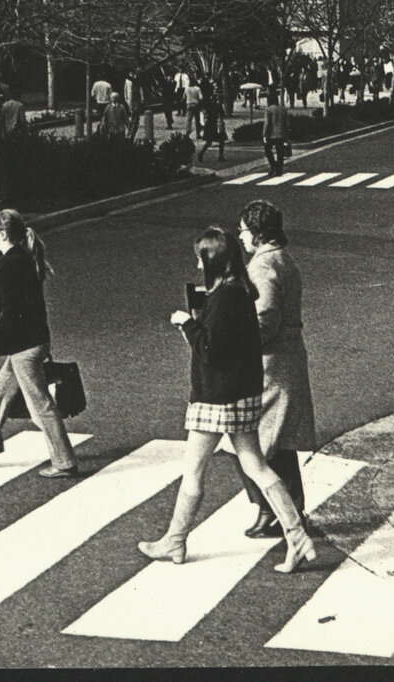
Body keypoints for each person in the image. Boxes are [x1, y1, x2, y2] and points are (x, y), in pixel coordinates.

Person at [139, 227, 314, 573]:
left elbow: (210, 351)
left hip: (216, 399)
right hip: (243, 396)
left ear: (211, 260)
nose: (196, 262)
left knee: (194, 470)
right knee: (257, 465)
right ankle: (296, 534)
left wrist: (187, 323)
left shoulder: (222, 299)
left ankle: (175, 539)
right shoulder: (242, 292)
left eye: (199, 256)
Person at [0, 210, 79, 477]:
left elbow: (12, 311)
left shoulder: (11, 264)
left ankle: (65, 462)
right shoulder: (21, 259)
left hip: (24, 347)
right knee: (0, 391)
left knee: (40, 406)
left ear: (2, 234)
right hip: (27, 343)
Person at [234, 200, 316, 537]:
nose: (240, 237)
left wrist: (236, 339)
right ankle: (291, 509)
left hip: (270, 364)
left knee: (250, 442)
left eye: (243, 230)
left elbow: (264, 319)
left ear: (257, 231)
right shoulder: (285, 260)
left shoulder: (262, 266)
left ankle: (269, 510)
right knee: (279, 442)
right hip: (288, 357)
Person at [262, 88, 290, 177]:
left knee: (268, 151)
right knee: (280, 152)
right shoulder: (283, 109)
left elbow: (267, 123)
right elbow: (287, 123)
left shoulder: (268, 110)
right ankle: (279, 170)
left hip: (271, 134)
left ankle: (273, 165)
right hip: (281, 133)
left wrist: (264, 134)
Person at [197, 90, 227, 164]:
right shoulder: (218, 106)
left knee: (209, 141)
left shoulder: (208, 105)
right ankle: (220, 156)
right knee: (221, 140)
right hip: (217, 124)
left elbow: (204, 113)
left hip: (209, 124)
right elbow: (222, 115)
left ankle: (201, 153)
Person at [124, 72, 142, 140]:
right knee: (134, 119)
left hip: (132, 102)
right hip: (133, 103)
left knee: (134, 118)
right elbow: (128, 93)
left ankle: (130, 134)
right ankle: (130, 135)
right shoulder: (132, 82)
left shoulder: (129, 81)